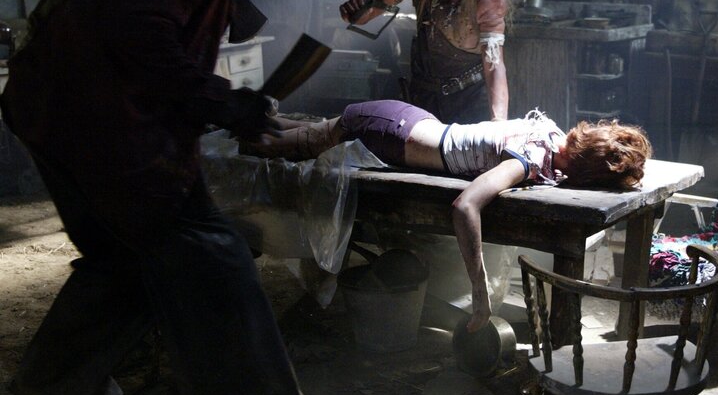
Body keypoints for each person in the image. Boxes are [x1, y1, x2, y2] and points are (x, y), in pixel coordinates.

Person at [0, 0, 325, 395]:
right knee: (212, 253)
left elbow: (119, 13)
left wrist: (228, 87)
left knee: (127, 253)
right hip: (104, 123)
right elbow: (140, 38)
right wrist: (225, 102)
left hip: (46, 110)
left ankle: (58, 382)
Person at [239, 100, 652, 333]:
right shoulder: (529, 158)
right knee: (271, 147)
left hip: (403, 119)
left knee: (300, 132)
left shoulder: (553, 135)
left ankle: (250, 118)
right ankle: (228, 127)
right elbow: (465, 206)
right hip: (390, 132)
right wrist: (480, 291)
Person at [339, 0, 512, 124]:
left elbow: (494, 64)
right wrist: (355, 14)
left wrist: (498, 122)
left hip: (470, 98)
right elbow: (371, 10)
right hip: (424, 94)